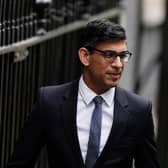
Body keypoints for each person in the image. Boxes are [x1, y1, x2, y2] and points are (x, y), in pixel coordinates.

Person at [6, 19, 160, 168]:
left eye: (122, 56)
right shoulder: (50, 101)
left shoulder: (139, 110)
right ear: (85, 56)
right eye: (109, 55)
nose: (118, 64)